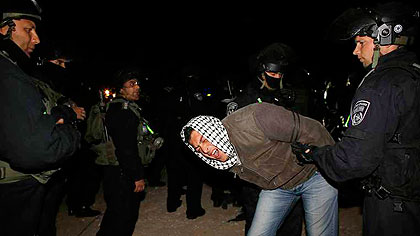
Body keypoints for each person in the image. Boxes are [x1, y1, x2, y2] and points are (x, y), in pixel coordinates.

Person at [291, 2, 420, 236]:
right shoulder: (413, 72)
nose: (355, 51)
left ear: (385, 36)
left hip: (394, 208)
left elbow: (353, 160)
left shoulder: (381, 83)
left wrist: (314, 154)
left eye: (361, 43)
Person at [180, 102, 338, 236]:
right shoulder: (223, 158)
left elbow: (312, 128)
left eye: (204, 139)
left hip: (314, 176)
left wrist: (332, 164)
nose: (205, 150)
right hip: (278, 188)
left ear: (213, 130)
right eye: (199, 148)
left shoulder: (255, 118)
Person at [0, 1, 81, 235]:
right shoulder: (9, 75)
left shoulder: (13, 70)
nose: (35, 39)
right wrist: (71, 131)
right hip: (16, 189)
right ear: (5, 28)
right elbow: (37, 148)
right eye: (28, 29)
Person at [225, 42, 313, 235]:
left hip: (288, 173)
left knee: (291, 223)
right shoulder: (243, 101)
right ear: (261, 72)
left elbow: (299, 130)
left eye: (280, 75)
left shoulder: (283, 96)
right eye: (272, 74)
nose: (277, 78)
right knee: (260, 224)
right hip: (259, 178)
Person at [33, 42, 101, 218]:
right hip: (49, 144)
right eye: (58, 63)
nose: (63, 68)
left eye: (64, 64)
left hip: (66, 138)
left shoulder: (54, 85)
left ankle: (78, 204)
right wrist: (70, 112)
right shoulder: (34, 84)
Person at [96, 68, 146, 236]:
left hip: (114, 170)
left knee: (114, 214)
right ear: (121, 89)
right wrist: (137, 176)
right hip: (123, 172)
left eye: (137, 83)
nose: (137, 87)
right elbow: (126, 149)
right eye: (132, 84)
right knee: (125, 218)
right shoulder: (124, 111)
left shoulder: (115, 107)